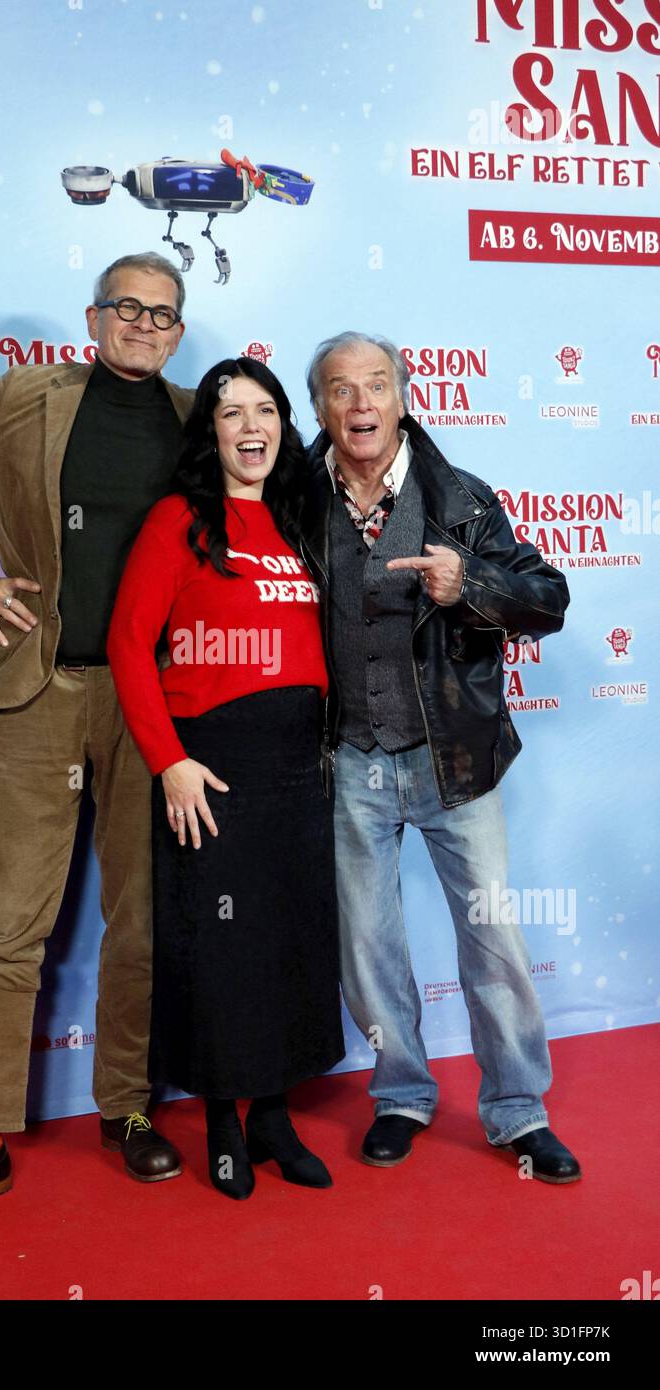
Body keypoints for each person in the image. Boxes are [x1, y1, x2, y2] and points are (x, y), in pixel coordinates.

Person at [0, 252, 196, 1232]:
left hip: (153, 702)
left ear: (178, 331)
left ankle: (127, 1106)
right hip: (37, 688)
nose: (143, 325)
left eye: (163, 313)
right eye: (127, 308)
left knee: (138, 922)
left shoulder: (200, 421)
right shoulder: (26, 396)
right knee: (10, 928)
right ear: (93, 316)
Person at [300, 331, 581, 1184]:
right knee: (369, 946)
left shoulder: (460, 498)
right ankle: (401, 1095)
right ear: (319, 408)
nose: (359, 405)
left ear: (403, 396)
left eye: (375, 385)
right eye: (340, 390)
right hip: (348, 757)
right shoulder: (292, 501)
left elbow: (550, 601)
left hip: (451, 756)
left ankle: (518, 1110)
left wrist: (473, 588)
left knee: (491, 938)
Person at [107, 357, 345, 1200]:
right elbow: (130, 646)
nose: (251, 425)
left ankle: (274, 1115)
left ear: (284, 424)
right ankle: (220, 1118)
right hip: (213, 764)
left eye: (265, 409)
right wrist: (170, 761)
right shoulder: (180, 519)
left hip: (300, 764)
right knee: (218, 946)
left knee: (288, 939)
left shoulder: (300, 517)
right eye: (230, 412)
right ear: (209, 432)